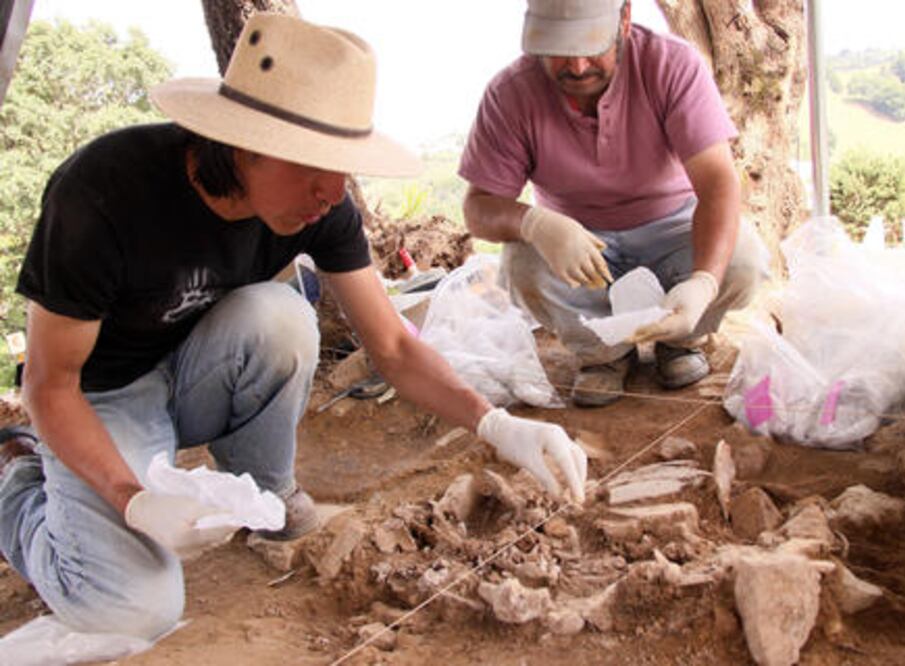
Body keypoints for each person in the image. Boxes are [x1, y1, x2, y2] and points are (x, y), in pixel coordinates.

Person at [0, 13, 586, 640]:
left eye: (344, 166)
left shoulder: (320, 205)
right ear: (245, 142)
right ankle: (15, 480)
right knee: (131, 609)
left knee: (281, 317)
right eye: (317, 165)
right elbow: (49, 385)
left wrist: (495, 423)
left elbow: (390, 344)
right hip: (103, 396)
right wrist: (129, 497)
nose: (333, 192)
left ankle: (268, 499)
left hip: (197, 374)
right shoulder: (105, 195)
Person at [460, 0, 769, 407]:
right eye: (559, 50)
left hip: (672, 225)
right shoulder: (510, 93)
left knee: (742, 258)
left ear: (624, 20)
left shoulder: (671, 64)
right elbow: (478, 208)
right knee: (522, 263)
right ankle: (602, 354)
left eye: (591, 45)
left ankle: (681, 339)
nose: (578, 66)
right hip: (577, 241)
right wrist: (536, 224)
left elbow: (718, 183)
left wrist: (704, 282)